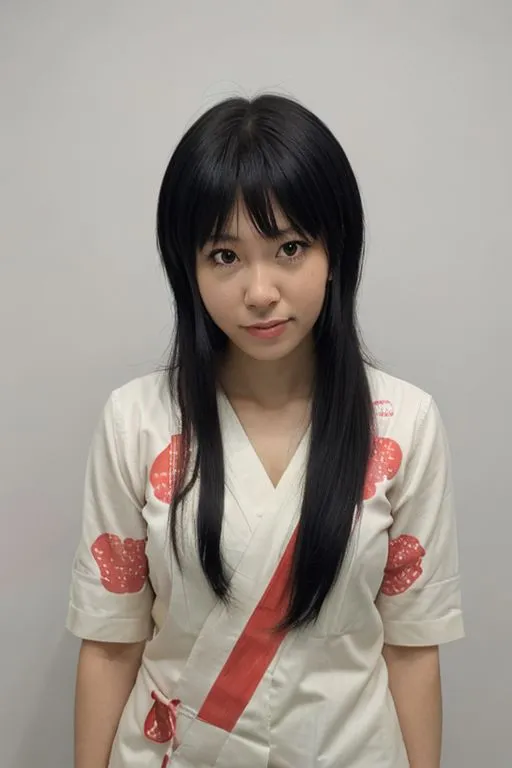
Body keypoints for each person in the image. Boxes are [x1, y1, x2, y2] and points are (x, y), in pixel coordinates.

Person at [66, 94, 464, 768]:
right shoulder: (136, 422)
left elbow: (412, 647)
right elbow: (109, 643)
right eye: (225, 255)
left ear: (336, 251)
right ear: (186, 268)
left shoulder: (405, 424)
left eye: (289, 248)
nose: (259, 289)